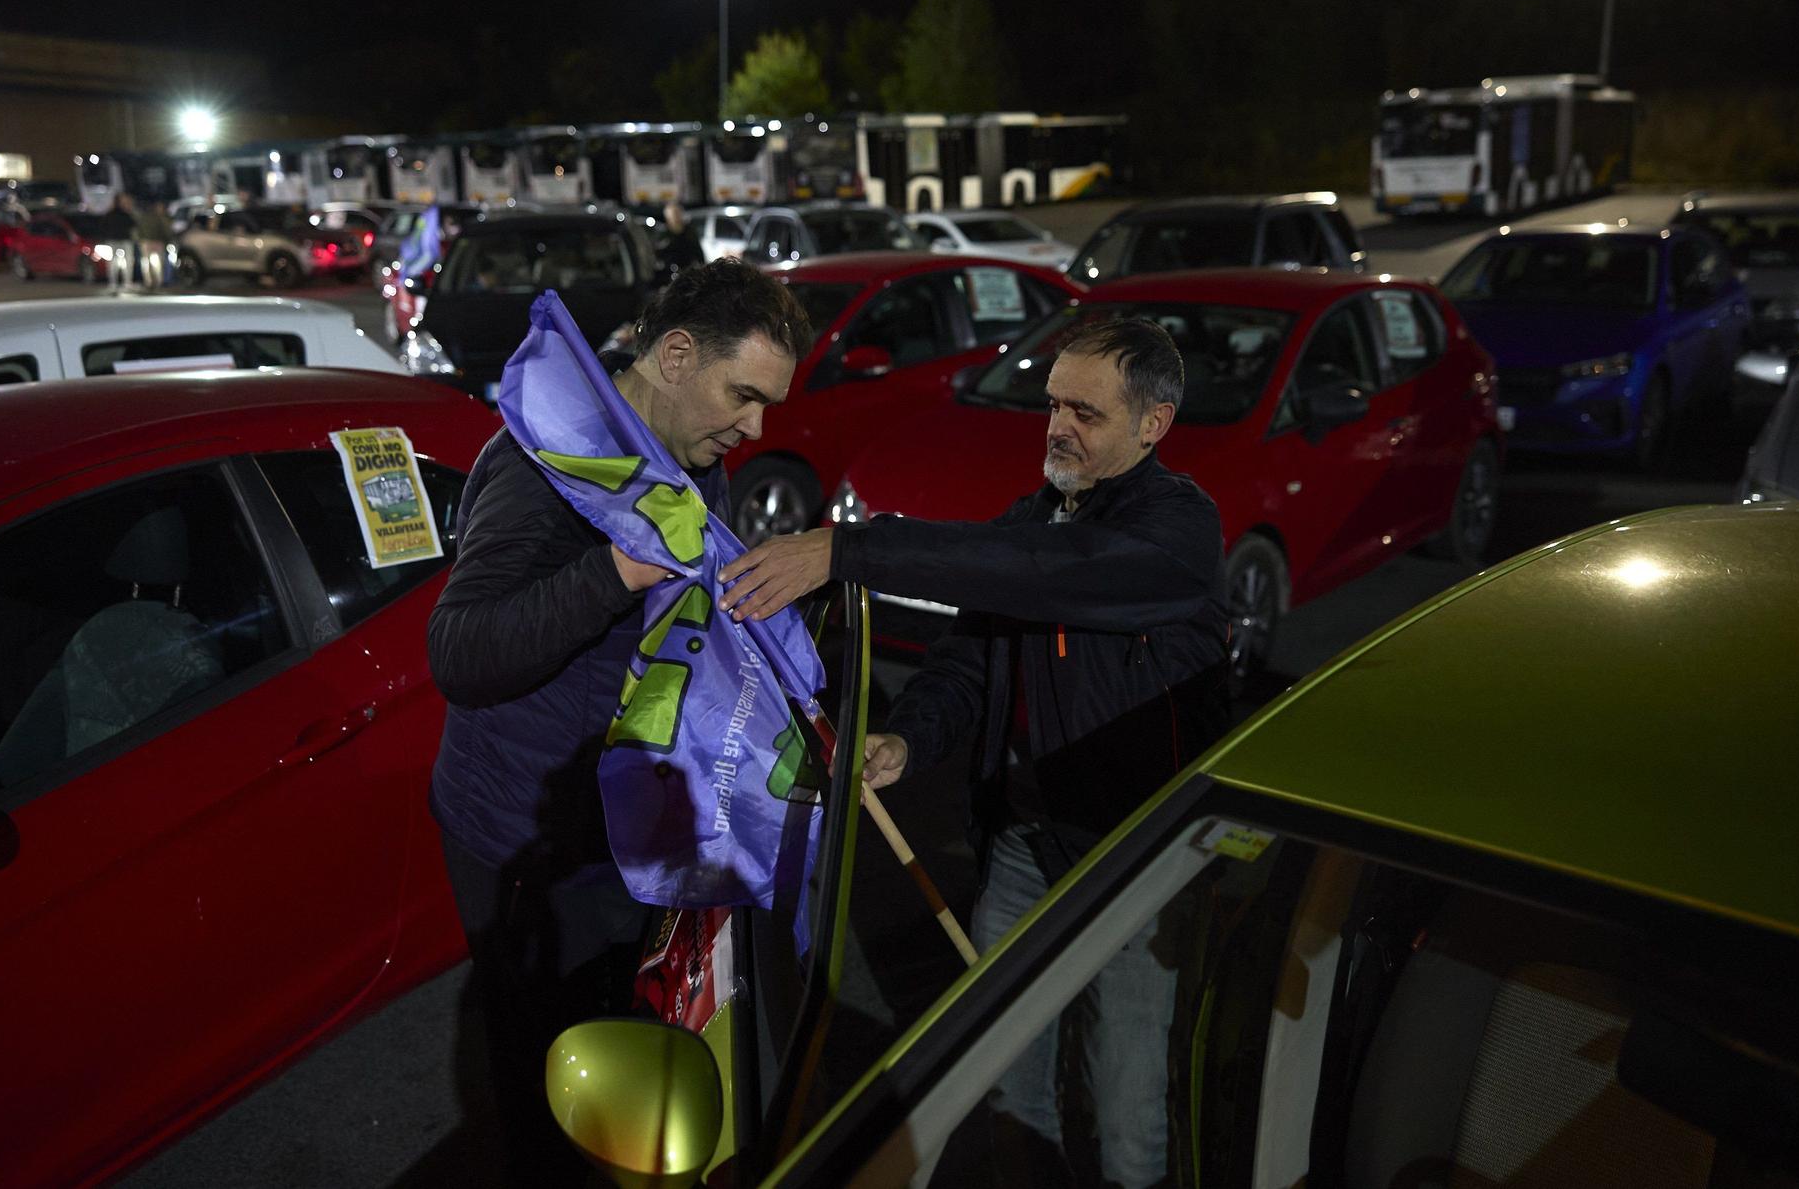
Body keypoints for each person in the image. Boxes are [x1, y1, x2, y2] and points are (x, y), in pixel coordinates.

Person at [717, 315, 1230, 1188]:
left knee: (1128, 1097)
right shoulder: (1032, 521)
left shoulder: (1177, 532)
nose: (1059, 426)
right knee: (1003, 1070)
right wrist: (907, 739)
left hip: (1133, 856)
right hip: (1023, 848)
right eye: (1054, 404)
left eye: (1087, 412)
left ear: (1154, 425)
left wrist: (847, 550)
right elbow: (968, 666)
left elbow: (1049, 569)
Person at [426, 257, 813, 1183]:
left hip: (611, 833)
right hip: (526, 839)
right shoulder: (545, 460)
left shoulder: (676, 455)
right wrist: (614, 573)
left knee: (614, 1074)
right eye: (743, 394)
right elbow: (460, 654)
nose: (756, 427)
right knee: (552, 1091)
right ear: (675, 353)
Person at [655, 200, 702, 277]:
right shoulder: (663, 235)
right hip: (669, 274)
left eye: (677, 213)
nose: (676, 217)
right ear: (668, 217)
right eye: (673, 214)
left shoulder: (689, 232)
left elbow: (698, 251)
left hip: (689, 271)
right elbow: (659, 255)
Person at [134, 199, 173, 290]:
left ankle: (151, 281)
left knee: (150, 263)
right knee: (155, 263)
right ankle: (156, 281)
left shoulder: (144, 217)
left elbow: (139, 229)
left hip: (149, 241)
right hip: (154, 241)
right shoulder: (160, 217)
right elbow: (166, 230)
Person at [102, 193, 139, 291]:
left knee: (113, 262)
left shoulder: (110, 213)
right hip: (123, 239)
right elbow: (133, 224)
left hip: (113, 239)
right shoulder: (124, 213)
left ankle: (113, 283)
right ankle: (126, 283)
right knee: (127, 261)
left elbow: (103, 225)